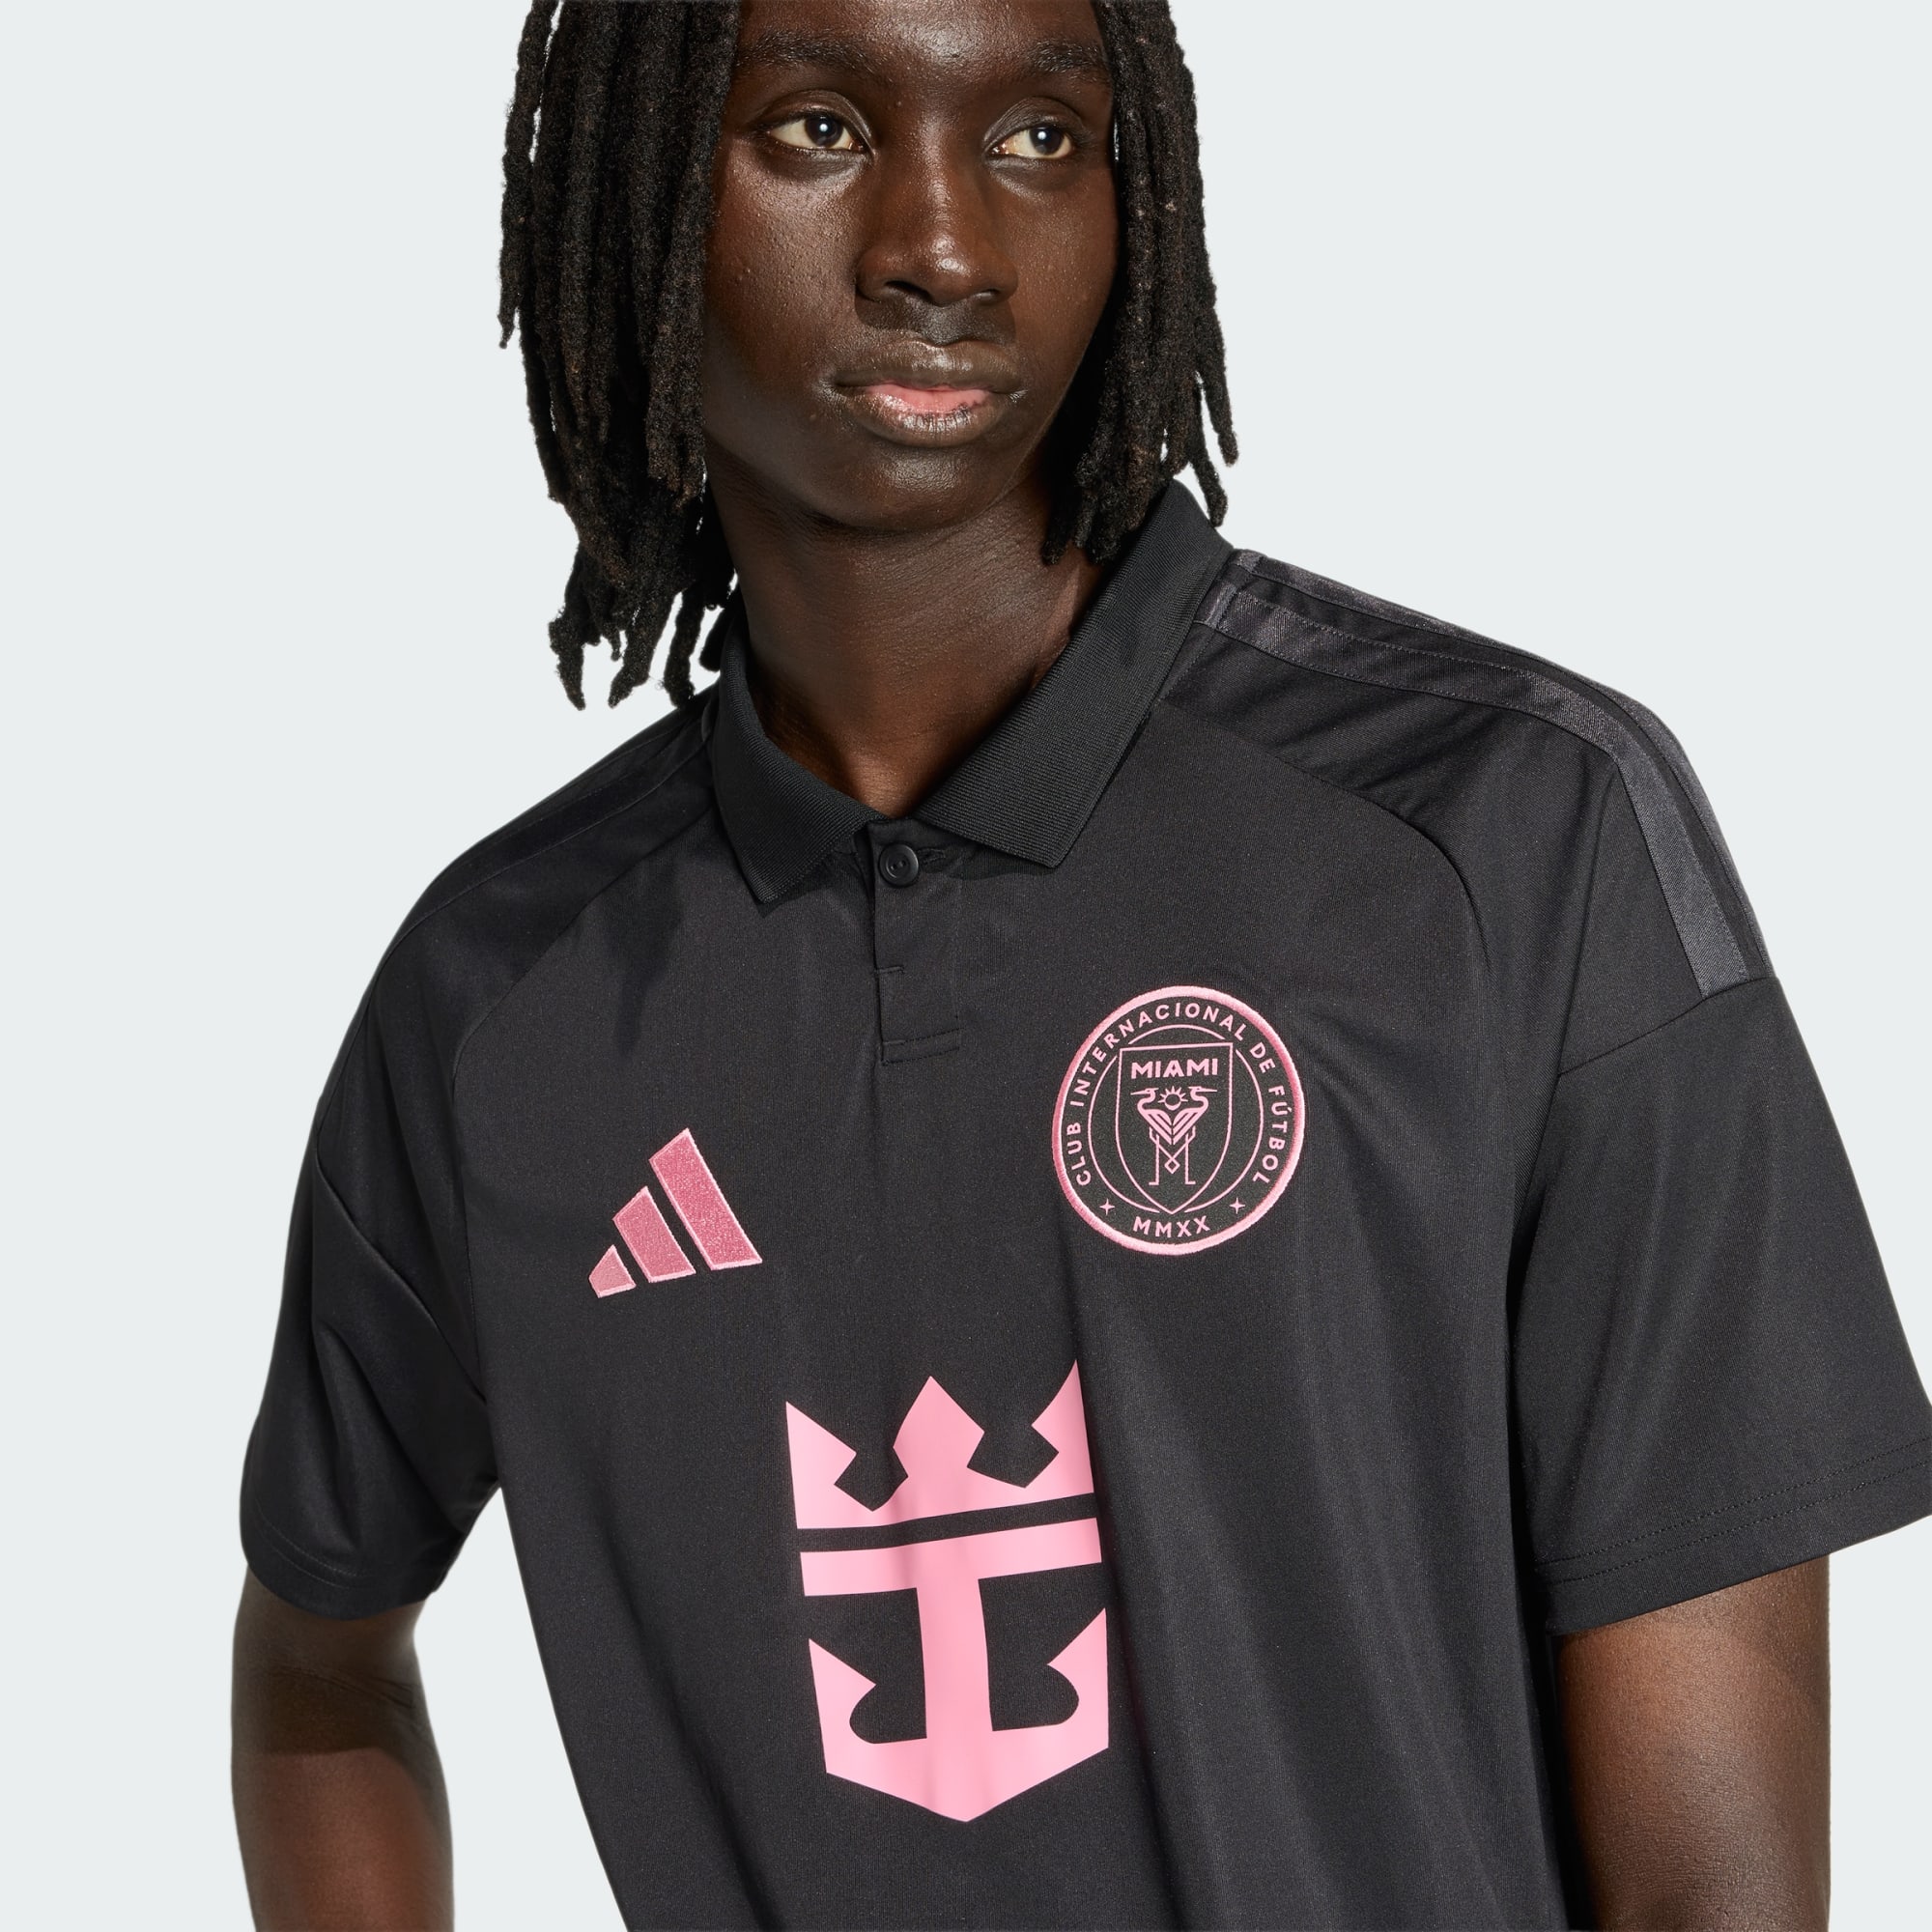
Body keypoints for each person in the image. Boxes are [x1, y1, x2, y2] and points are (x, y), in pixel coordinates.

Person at [231, 3, 1931, 1927]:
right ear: (620, 194)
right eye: (815, 128)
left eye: (1041, 136)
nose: (942, 246)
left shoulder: (1507, 841)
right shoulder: (501, 1003)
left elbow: (1722, 1892)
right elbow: (319, 1671)